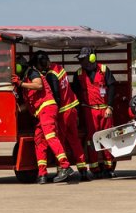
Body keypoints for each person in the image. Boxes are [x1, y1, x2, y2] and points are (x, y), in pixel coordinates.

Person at [12, 55, 75, 184]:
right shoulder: (25, 81)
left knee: (50, 136)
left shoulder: (32, 72)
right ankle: (42, 174)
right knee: (39, 141)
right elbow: (28, 104)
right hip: (40, 113)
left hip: (46, 108)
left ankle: (65, 166)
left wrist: (20, 83)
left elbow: (39, 85)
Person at [32, 51, 93, 182]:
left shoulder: (50, 75)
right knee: (75, 141)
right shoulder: (59, 68)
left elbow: (56, 95)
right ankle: (83, 170)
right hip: (72, 108)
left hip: (63, 112)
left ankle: (62, 170)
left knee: (60, 141)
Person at [72, 47, 117, 178]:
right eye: (80, 59)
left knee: (107, 137)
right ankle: (95, 168)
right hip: (89, 110)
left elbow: (112, 87)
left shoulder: (103, 70)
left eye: (83, 59)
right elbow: (74, 93)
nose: (81, 62)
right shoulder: (79, 74)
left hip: (104, 110)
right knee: (92, 140)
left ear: (91, 58)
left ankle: (109, 168)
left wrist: (110, 107)